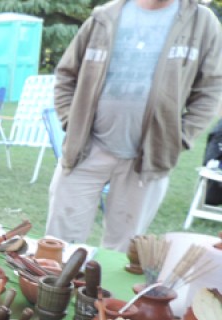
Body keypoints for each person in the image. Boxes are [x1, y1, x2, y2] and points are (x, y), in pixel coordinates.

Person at [45, 0, 222, 251]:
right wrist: (71, 121)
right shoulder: (103, 16)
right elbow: (66, 74)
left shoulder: (201, 22)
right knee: (58, 244)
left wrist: (179, 138)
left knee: (121, 251)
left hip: (148, 157)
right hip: (86, 149)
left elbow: (211, 89)